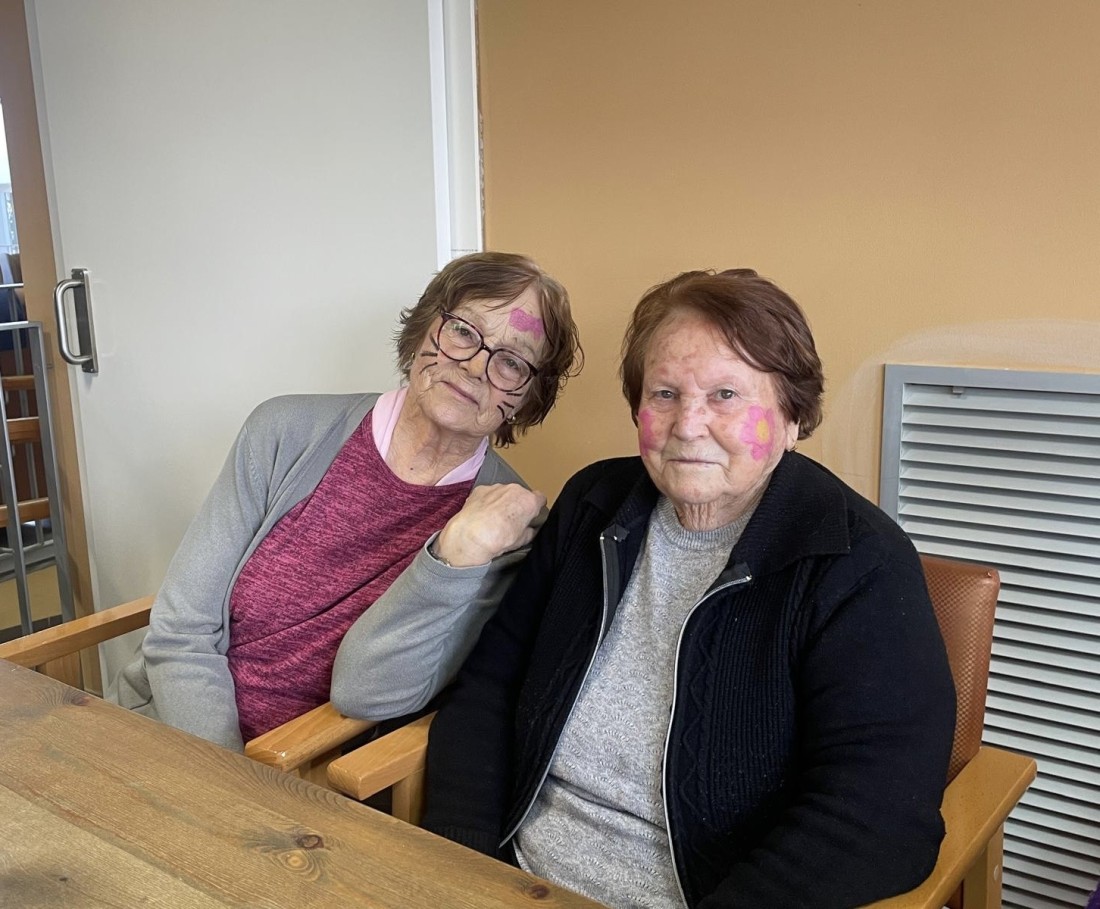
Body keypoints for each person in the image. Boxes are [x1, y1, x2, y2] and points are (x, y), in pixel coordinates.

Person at [422, 268, 956, 908]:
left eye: (725, 395)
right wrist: (463, 868)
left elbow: (879, 819)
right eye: (665, 394)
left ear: (792, 417)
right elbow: (489, 687)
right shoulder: (593, 504)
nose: (688, 424)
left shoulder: (858, 562)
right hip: (517, 877)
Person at [114, 251, 582, 752]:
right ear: (424, 329)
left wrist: (455, 554)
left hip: (311, 775)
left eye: (511, 362)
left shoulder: (510, 528)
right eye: (464, 332)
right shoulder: (283, 431)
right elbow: (182, 630)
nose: (473, 367)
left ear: (529, 398)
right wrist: (225, 774)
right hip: (167, 729)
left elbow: (365, 693)